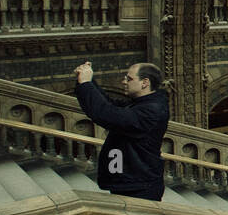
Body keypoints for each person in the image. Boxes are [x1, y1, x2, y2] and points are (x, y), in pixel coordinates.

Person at [72, 61, 169, 201]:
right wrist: (88, 81)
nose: (123, 81)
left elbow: (106, 114)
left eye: (129, 79)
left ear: (145, 82)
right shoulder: (142, 103)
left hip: (139, 187)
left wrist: (86, 84)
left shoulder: (151, 110)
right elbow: (109, 105)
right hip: (129, 181)